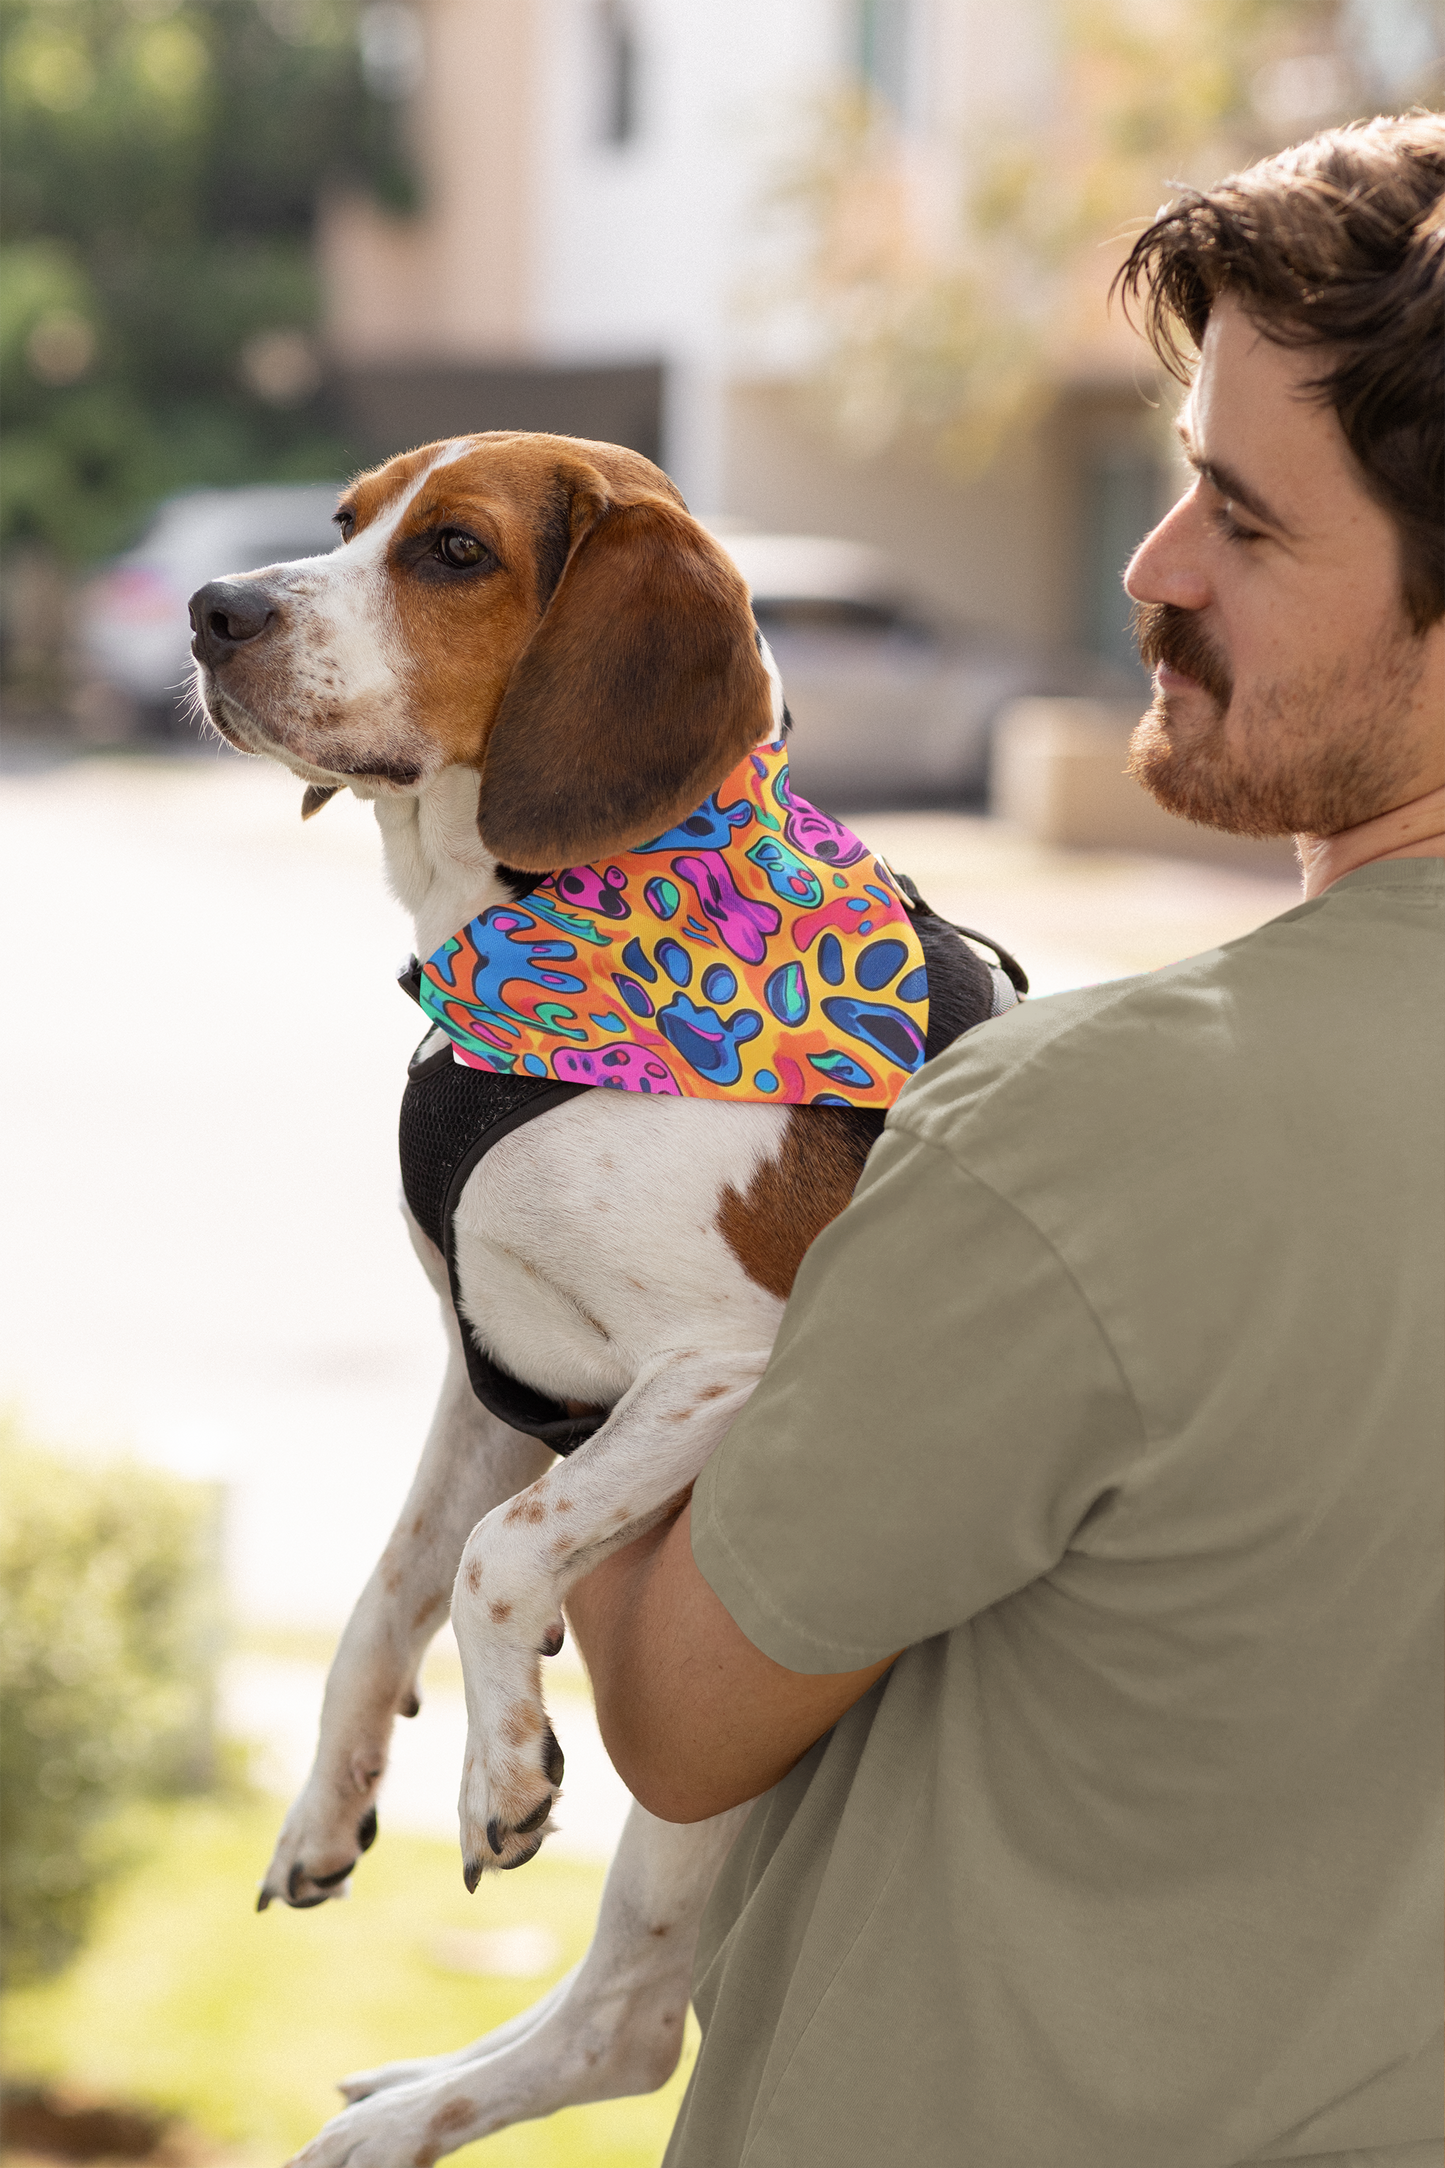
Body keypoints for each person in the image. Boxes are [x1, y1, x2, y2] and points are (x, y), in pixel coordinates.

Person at [566, 115, 1445, 2168]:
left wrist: (542, 1219)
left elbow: (681, 1719)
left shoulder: (1104, 1133)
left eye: (1238, 516)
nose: (1150, 568)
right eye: (1173, 479)